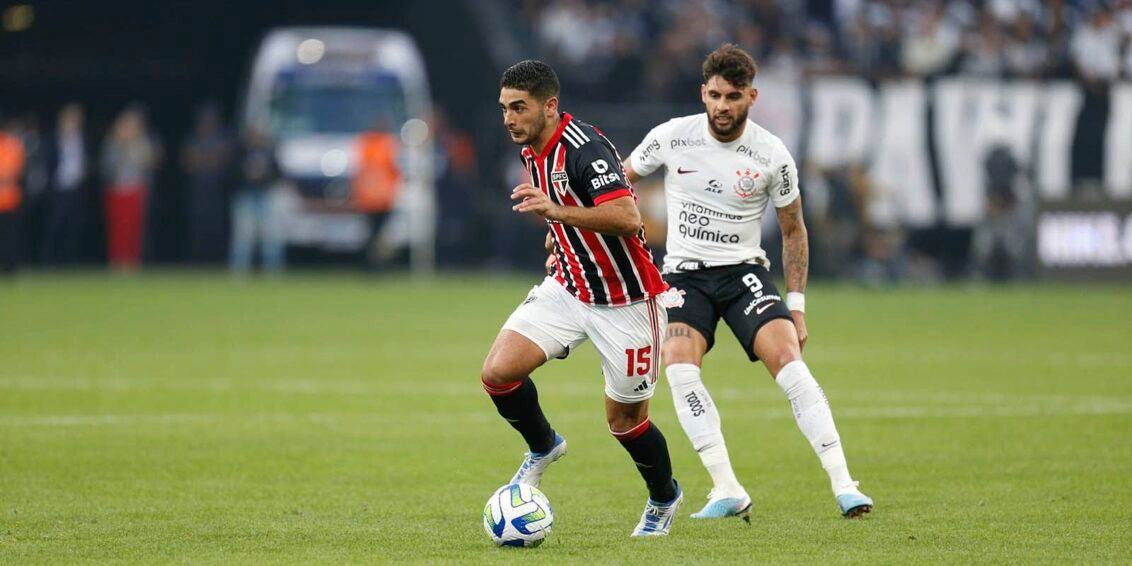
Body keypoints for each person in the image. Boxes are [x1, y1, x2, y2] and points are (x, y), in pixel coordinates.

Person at [622, 44, 873, 520]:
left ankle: (845, 484)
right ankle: (726, 487)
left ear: (751, 97)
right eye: (714, 95)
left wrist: (796, 305)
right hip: (683, 276)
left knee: (790, 363)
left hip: (743, 275)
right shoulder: (672, 137)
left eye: (732, 96)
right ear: (703, 92)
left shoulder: (771, 154)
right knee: (677, 365)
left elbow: (794, 228)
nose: (722, 106)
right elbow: (617, 179)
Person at [482, 60, 681, 537]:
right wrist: (559, 235)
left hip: (627, 300)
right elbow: (569, 211)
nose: (509, 118)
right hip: (570, 286)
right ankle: (544, 445)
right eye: (504, 108)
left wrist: (556, 212)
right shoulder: (532, 146)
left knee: (626, 422)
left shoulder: (583, 148)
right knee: (498, 373)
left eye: (519, 108)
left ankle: (664, 497)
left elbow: (628, 216)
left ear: (550, 107)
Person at [101, 105, 159, 271]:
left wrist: (135, 146)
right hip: (117, 190)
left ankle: (133, 261)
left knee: (134, 227)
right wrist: (121, 146)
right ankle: (117, 261)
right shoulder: (112, 144)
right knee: (117, 228)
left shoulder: (142, 143)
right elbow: (107, 167)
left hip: (135, 190)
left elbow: (149, 162)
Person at [41, 103, 92, 265]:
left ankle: (69, 261)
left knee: (74, 226)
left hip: (76, 189)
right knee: (54, 225)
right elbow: (47, 161)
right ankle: (47, 261)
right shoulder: (53, 139)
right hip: (58, 188)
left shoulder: (83, 139)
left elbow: (89, 161)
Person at [229, 128, 284, 274]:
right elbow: (232, 174)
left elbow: (279, 174)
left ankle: (272, 272)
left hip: (266, 195)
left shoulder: (270, 152)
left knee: (271, 237)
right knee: (243, 237)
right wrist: (247, 174)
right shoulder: (242, 152)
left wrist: (264, 175)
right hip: (246, 195)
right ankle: (239, 272)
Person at [0, 117, 25, 276]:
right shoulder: (13, 145)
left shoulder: (13, 145)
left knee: (10, 237)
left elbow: (16, 170)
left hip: (10, 200)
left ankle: (10, 268)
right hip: (8, 198)